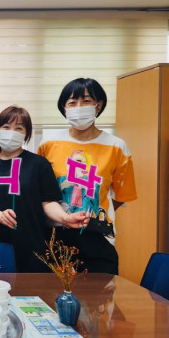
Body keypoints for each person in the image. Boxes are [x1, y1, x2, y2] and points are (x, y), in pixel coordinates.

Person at [37, 78, 137, 274]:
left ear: (98, 105)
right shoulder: (48, 144)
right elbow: (41, 194)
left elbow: (120, 197)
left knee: (100, 292)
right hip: (54, 233)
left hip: (97, 235)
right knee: (53, 291)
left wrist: (92, 212)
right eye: (72, 103)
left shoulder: (116, 146)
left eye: (86, 101)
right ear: (64, 108)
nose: (79, 107)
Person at [0, 106, 89, 272]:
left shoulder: (39, 164)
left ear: (26, 134)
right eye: (6, 127)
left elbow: (48, 202)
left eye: (19, 128)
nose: (11, 132)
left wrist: (65, 218)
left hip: (32, 245)